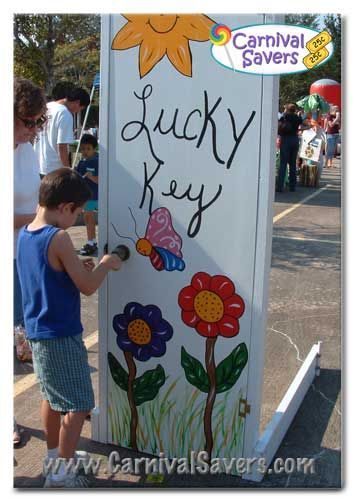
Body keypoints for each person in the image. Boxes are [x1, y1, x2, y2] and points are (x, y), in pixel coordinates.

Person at [16, 169, 122, 487]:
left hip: (38, 332)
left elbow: (50, 273)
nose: (77, 217)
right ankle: (62, 473)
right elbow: (88, 286)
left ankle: (54, 458)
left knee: (51, 396)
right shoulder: (59, 237)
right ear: (64, 207)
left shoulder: (26, 232)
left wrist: (75, 265)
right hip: (60, 333)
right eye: (77, 211)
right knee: (78, 404)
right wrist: (106, 264)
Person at [14, 77, 47, 445]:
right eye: (28, 121)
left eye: (38, 121)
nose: (35, 128)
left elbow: (35, 198)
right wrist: (37, 219)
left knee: (26, 338)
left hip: (24, 253)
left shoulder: (27, 149)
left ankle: (56, 405)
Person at [34, 87, 90, 176]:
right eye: (81, 109)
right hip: (54, 169)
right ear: (77, 102)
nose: (78, 111)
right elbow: (62, 146)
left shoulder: (47, 106)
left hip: (37, 165)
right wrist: (68, 171)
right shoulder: (65, 114)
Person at [75, 134, 99, 256]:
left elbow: (101, 180)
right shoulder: (81, 162)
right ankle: (91, 241)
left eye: (88, 148)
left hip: (98, 196)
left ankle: (94, 241)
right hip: (87, 198)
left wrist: (91, 177)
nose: (85, 151)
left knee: (99, 218)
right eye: (83, 149)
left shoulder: (98, 161)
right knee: (88, 218)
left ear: (94, 148)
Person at [277, 103, 303, 192]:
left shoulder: (284, 117)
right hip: (295, 140)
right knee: (292, 164)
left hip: (285, 140)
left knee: (283, 163)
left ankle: (280, 186)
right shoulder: (297, 118)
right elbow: (302, 124)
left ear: (287, 109)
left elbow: (278, 126)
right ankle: (292, 186)